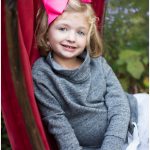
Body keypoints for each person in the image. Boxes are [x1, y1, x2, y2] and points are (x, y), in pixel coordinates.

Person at [32, 0, 148, 149]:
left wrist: (111, 146)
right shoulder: (43, 74)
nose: (71, 38)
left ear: (88, 37)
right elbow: (57, 123)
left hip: (133, 120)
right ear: (47, 33)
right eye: (63, 29)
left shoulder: (98, 63)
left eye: (80, 32)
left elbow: (120, 106)